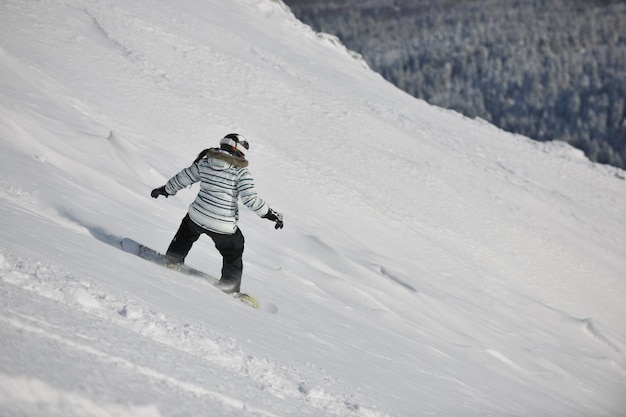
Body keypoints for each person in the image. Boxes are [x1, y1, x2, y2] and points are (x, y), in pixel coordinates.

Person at [151, 133, 283, 294]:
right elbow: (250, 200)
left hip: (197, 217)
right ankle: (230, 287)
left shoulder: (205, 162)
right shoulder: (241, 172)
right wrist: (270, 214)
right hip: (223, 226)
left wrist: (165, 189)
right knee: (233, 251)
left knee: (185, 234)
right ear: (239, 151)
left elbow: (183, 177)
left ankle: (173, 261)